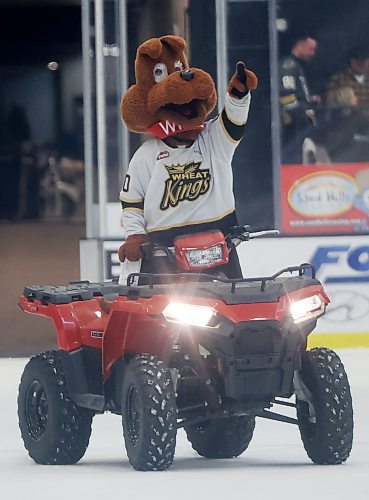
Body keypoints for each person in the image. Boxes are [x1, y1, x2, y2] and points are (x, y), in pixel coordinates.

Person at [118, 35, 258, 282]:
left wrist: (238, 95)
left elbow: (234, 121)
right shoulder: (147, 155)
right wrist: (135, 235)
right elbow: (132, 204)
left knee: (236, 308)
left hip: (219, 244)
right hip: (164, 253)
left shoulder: (214, 140)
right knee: (154, 313)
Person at [279, 35, 319, 163]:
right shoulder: (288, 65)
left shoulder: (298, 66)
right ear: (300, 44)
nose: (313, 54)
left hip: (300, 123)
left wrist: (310, 101)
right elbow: (286, 96)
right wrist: (303, 114)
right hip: (293, 125)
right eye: (310, 49)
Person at [325, 45, 369, 117]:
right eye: (361, 62)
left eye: (366, 62)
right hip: (347, 121)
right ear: (352, 62)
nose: (364, 65)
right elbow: (329, 103)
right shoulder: (338, 79)